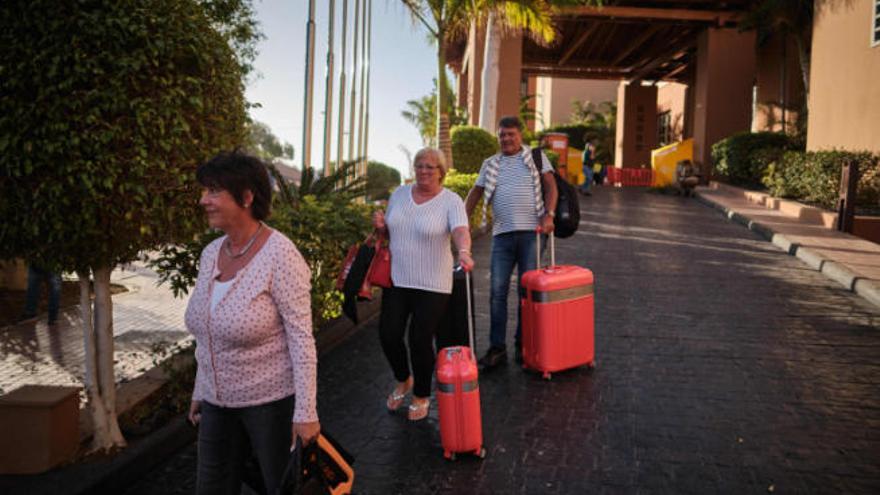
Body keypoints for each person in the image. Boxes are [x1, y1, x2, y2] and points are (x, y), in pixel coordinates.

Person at [184, 151, 320, 494]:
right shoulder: (211, 253)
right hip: (216, 403)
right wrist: (202, 387)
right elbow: (207, 330)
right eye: (204, 191)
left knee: (284, 488)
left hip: (270, 405)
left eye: (214, 191)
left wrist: (305, 413)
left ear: (246, 197)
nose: (204, 200)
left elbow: (302, 340)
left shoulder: (280, 255)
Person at [372, 147, 474, 421]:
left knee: (419, 339)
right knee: (388, 334)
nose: (424, 171)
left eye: (430, 166)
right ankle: (403, 378)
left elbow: (460, 230)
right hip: (398, 278)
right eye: (419, 165)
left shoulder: (451, 201)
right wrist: (381, 226)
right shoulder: (399, 194)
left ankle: (420, 394)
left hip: (433, 282)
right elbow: (390, 232)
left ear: (441, 172)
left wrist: (463, 251)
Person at [464, 116, 558, 370]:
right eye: (502, 135)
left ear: (520, 136)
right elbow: (475, 193)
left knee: (526, 294)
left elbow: (551, 187)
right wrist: (461, 224)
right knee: (497, 294)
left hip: (532, 234)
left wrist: (549, 214)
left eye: (511, 134)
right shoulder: (491, 164)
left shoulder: (536, 157)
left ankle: (523, 346)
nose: (506, 139)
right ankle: (497, 349)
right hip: (502, 236)